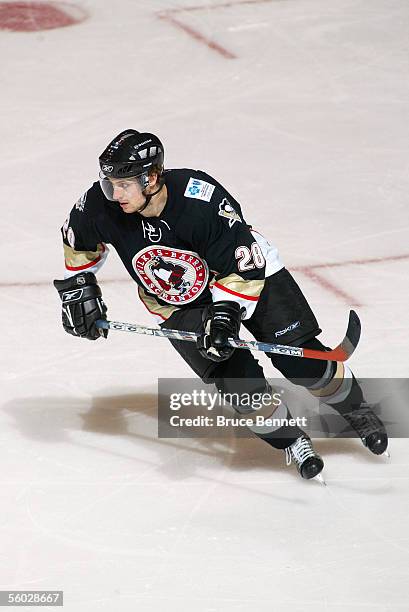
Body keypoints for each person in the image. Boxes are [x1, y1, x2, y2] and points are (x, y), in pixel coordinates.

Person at [54, 129, 388, 482]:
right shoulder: (99, 205)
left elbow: (243, 261)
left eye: (123, 184)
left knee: (299, 359)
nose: (114, 193)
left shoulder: (201, 201)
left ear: (150, 178)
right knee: (239, 385)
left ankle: (357, 409)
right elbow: (78, 240)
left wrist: (226, 314)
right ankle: (292, 441)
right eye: (109, 183)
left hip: (248, 275)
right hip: (177, 301)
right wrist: (80, 286)